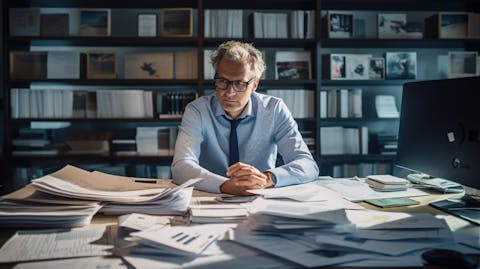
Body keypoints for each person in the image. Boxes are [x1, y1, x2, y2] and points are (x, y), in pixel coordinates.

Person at [172, 41, 319, 196]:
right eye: (222, 81)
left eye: (240, 84)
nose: (229, 92)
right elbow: (181, 166)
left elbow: (308, 165)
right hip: (211, 195)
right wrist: (224, 185)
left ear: (254, 85)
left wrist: (267, 178)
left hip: (259, 195)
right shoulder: (197, 111)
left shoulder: (274, 109)